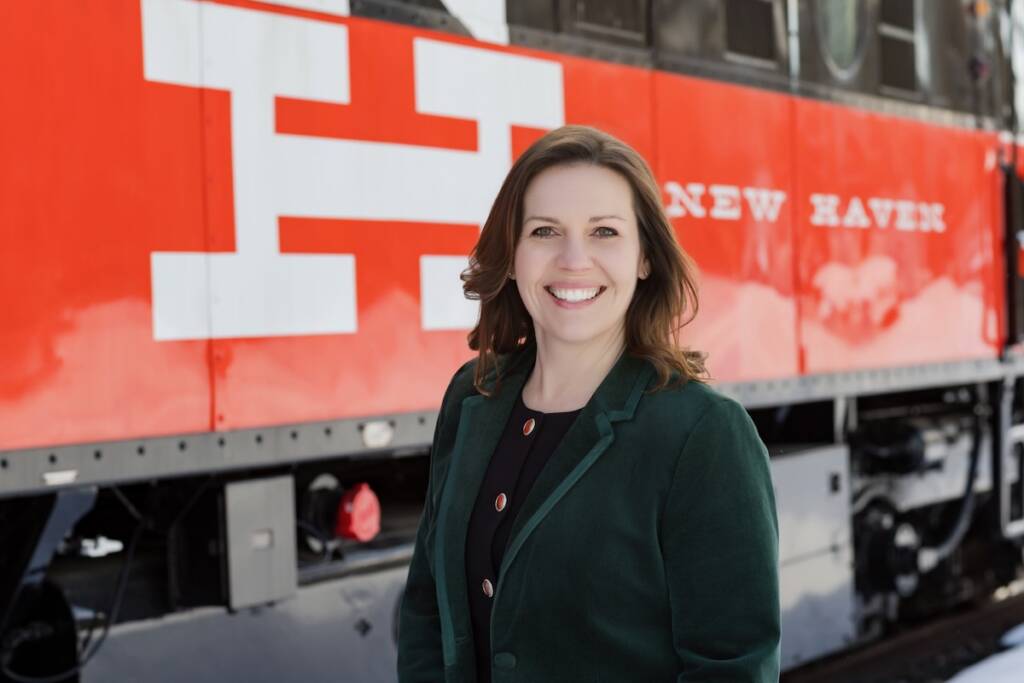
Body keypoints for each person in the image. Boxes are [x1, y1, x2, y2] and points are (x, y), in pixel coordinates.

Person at [397, 125, 780, 682]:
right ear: (514, 253)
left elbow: (732, 667)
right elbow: (427, 611)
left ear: (645, 257)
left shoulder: (703, 433)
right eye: (545, 231)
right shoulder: (472, 398)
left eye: (604, 232)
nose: (573, 260)